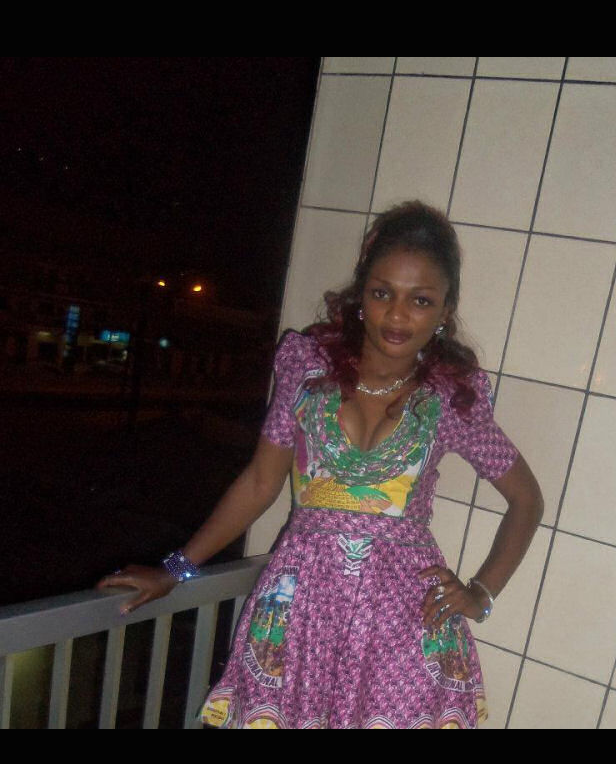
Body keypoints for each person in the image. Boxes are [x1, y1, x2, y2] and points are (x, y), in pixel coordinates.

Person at [97, 201, 544, 729]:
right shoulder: (308, 369)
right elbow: (261, 481)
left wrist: (481, 593)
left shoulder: (450, 399)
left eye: (421, 300)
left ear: (445, 311)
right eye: (382, 293)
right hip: (302, 608)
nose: (397, 315)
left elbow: (526, 500)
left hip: (402, 622)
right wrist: (176, 569)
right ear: (361, 298)